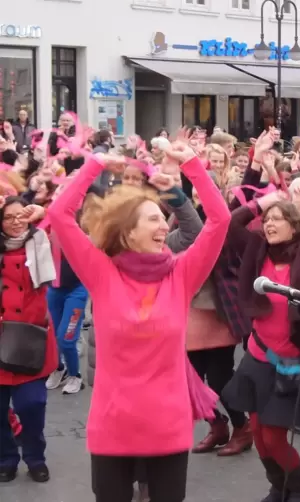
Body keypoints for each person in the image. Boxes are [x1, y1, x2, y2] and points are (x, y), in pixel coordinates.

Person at [46, 145, 231, 502]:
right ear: (128, 231)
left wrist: (192, 164)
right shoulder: (102, 272)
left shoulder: (182, 275)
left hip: (168, 424)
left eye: (163, 218)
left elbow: (219, 220)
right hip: (113, 423)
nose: (164, 226)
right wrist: (96, 164)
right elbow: (60, 214)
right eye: (152, 219)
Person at [222, 157, 300, 502]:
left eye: (279, 218)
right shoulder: (255, 248)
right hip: (258, 357)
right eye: (268, 219)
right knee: (260, 434)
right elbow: (230, 224)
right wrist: (259, 202)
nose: (271, 223)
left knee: (275, 437)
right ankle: (280, 487)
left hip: (292, 363)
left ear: (294, 225)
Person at [0, 197, 58, 484]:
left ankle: (35, 457)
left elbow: (69, 224)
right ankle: (6, 459)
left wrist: (44, 212)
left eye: (20, 215)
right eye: (7, 217)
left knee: (32, 405)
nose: (15, 222)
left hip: (30, 339)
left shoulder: (42, 241)